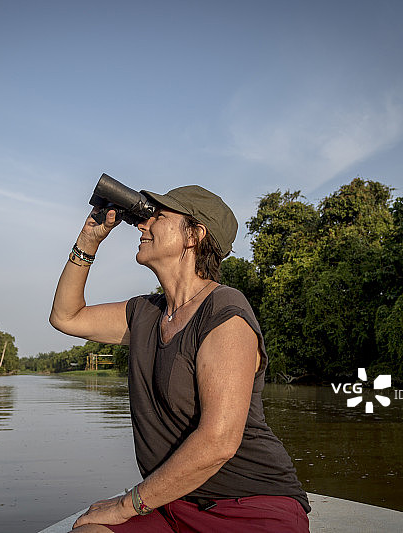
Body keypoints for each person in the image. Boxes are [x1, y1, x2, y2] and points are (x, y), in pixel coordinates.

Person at [50, 184, 310, 532]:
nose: (143, 225)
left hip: (250, 503)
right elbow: (66, 317)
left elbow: (218, 442)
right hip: (172, 501)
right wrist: (88, 240)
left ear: (194, 235)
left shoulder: (226, 312)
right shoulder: (145, 312)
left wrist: (126, 505)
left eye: (157, 217)